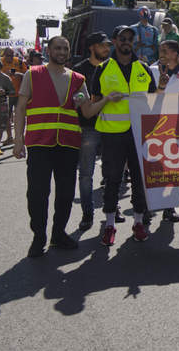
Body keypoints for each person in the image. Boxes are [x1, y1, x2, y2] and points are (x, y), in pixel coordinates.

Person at [13, 36, 92, 258]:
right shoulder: (33, 74)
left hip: (68, 144)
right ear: (49, 50)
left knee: (65, 193)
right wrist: (18, 139)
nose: (61, 51)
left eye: (65, 48)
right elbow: (20, 108)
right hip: (39, 142)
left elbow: (86, 110)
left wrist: (107, 100)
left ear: (68, 52)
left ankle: (58, 234)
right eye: (57, 48)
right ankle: (39, 236)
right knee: (37, 193)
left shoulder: (78, 79)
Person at [90, 25, 157, 245]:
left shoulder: (144, 68)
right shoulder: (103, 69)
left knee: (139, 180)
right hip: (112, 134)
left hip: (140, 134)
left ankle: (138, 222)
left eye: (130, 38)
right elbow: (94, 103)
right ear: (114, 41)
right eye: (122, 38)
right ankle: (109, 225)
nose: (126, 41)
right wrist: (108, 99)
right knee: (112, 180)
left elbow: (155, 100)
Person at [150, 39, 179, 224]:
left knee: (176, 167)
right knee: (155, 167)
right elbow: (150, 95)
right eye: (160, 50)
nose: (162, 53)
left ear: (176, 54)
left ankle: (170, 207)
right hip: (157, 124)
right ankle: (149, 205)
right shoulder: (153, 70)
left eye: (166, 51)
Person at [72, 31, 111, 231]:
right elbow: (79, 101)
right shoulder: (78, 71)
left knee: (113, 174)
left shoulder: (113, 67)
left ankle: (112, 210)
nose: (107, 48)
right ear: (92, 47)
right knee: (86, 174)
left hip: (112, 126)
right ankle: (88, 214)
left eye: (108, 45)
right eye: (103, 45)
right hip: (88, 128)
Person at [1, 47, 27, 145]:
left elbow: (27, 74)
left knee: (20, 115)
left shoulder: (19, 62)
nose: (10, 57)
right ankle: (9, 137)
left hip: (19, 93)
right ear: (4, 55)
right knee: (6, 117)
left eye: (11, 55)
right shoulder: (0, 62)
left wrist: (18, 74)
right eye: (8, 55)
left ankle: (20, 136)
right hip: (5, 94)